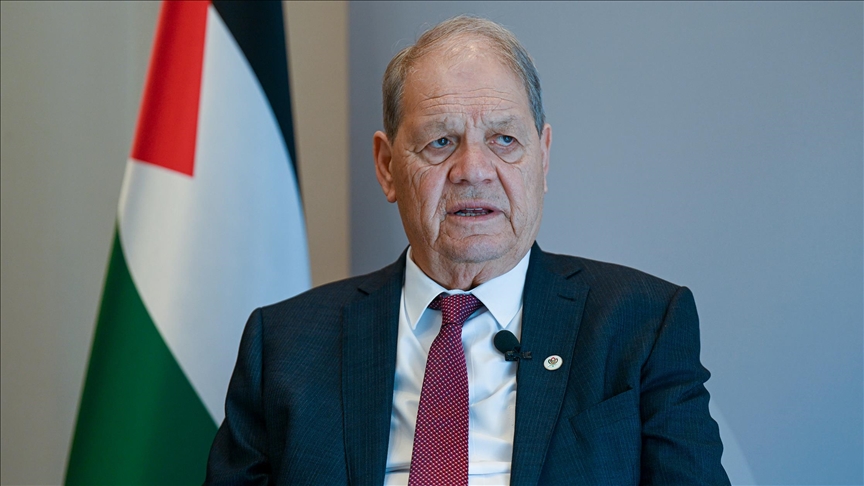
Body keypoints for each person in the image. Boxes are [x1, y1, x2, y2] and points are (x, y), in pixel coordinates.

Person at [205, 15, 730, 486]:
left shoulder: (640, 323)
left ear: (543, 158)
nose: (474, 170)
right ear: (387, 167)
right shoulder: (285, 345)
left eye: (504, 139)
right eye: (440, 142)